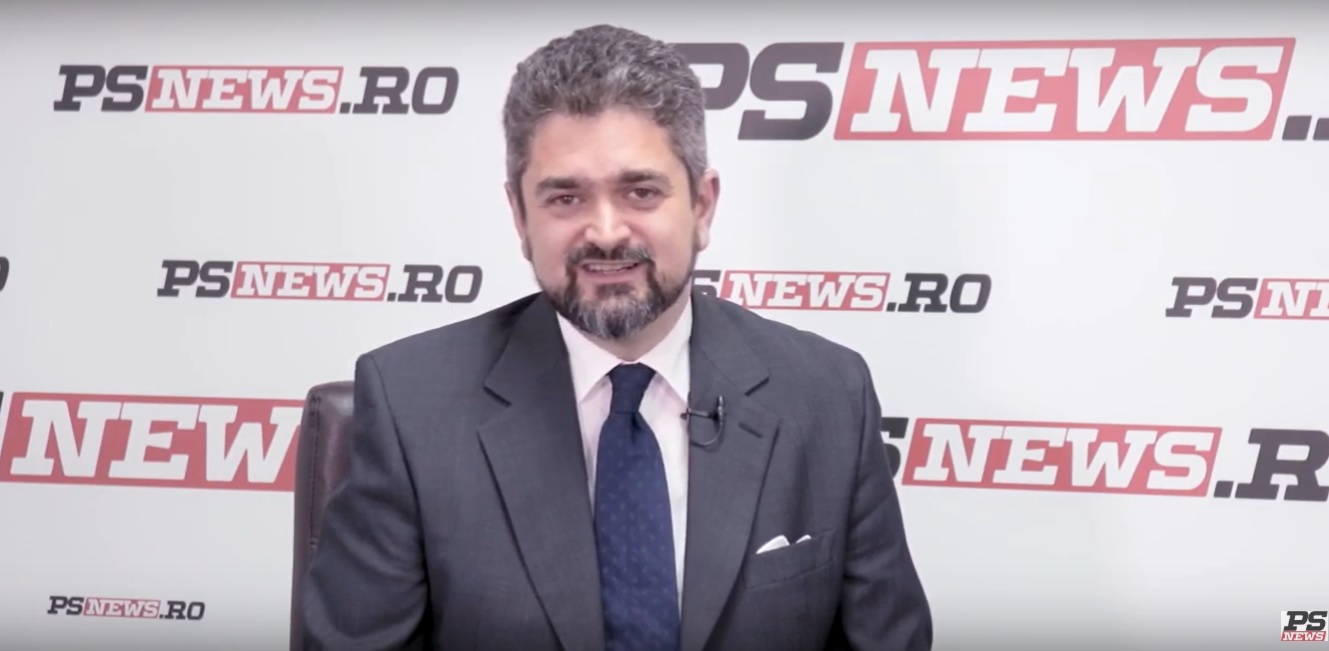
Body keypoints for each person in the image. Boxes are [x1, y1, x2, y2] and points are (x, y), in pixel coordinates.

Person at [301, 23, 931, 651]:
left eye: (641, 191)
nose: (605, 232)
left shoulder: (828, 395)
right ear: (520, 216)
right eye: (566, 198)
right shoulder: (412, 406)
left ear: (702, 205)